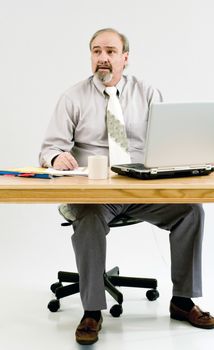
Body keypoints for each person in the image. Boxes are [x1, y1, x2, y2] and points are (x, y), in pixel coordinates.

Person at [39, 28, 214, 345]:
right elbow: (48, 149)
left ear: (125, 58)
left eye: (109, 51)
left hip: (139, 190)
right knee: (90, 218)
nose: (102, 58)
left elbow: (166, 143)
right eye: (96, 51)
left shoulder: (147, 93)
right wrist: (56, 158)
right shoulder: (72, 98)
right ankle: (92, 310)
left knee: (191, 210)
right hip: (94, 192)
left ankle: (183, 301)